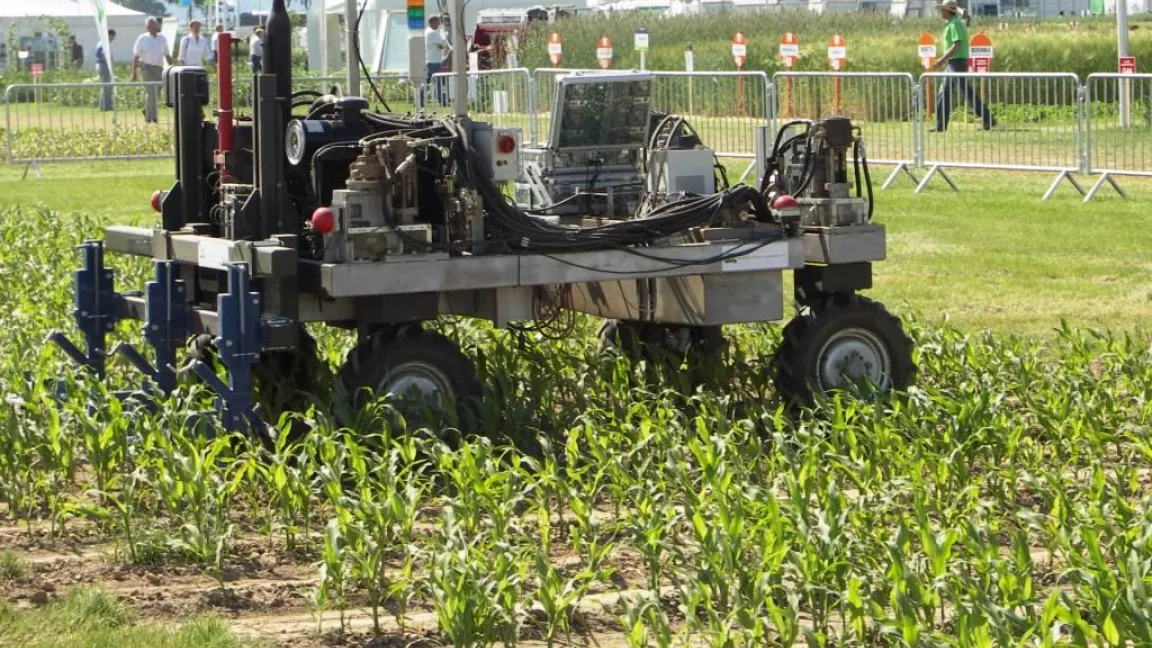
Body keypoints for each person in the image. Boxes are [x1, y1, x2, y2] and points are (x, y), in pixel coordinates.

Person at [932, 0, 996, 132]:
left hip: (957, 63)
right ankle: (940, 126)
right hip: (953, 63)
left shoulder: (955, 24)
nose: (941, 12)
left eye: (943, 10)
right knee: (943, 94)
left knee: (967, 94)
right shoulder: (953, 23)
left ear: (948, 11)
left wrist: (942, 59)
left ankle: (988, 119)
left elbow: (957, 44)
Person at [131, 17, 173, 124]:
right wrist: (134, 73)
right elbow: (136, 56)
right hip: (147, 68)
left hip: (159, 69)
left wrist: (173, 66)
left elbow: (167, 54)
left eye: (153, 24)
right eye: (149, 25)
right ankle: (151, 117)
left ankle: (147, 110)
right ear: (146, 27)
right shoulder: (142, 38)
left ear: (157, 26)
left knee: (156, 94)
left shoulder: (162, 38)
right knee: (151, 93)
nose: (151, 27)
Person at [423, 16, 451, 107]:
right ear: (432, 23)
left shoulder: (428, 32)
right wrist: (443, 35)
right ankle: (442, 102)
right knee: (437, 83)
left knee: (428, 83)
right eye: (437, 22)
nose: (439, 24)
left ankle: (420, 100)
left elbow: (441, 46)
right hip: (434, 62)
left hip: (431, 61)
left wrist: (441, 46)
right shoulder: (432, 33)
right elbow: (443, 44)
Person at [95, 29, 116, 111]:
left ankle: (105, 105)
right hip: (104, 66)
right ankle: (105, 106)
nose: (113, 39)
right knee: (106, 87)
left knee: (105, 86)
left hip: (101, 65)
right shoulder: (104, 44)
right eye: (113, 37)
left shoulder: (99, 43)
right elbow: (104, 55)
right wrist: (109, 65)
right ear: (110, 35)